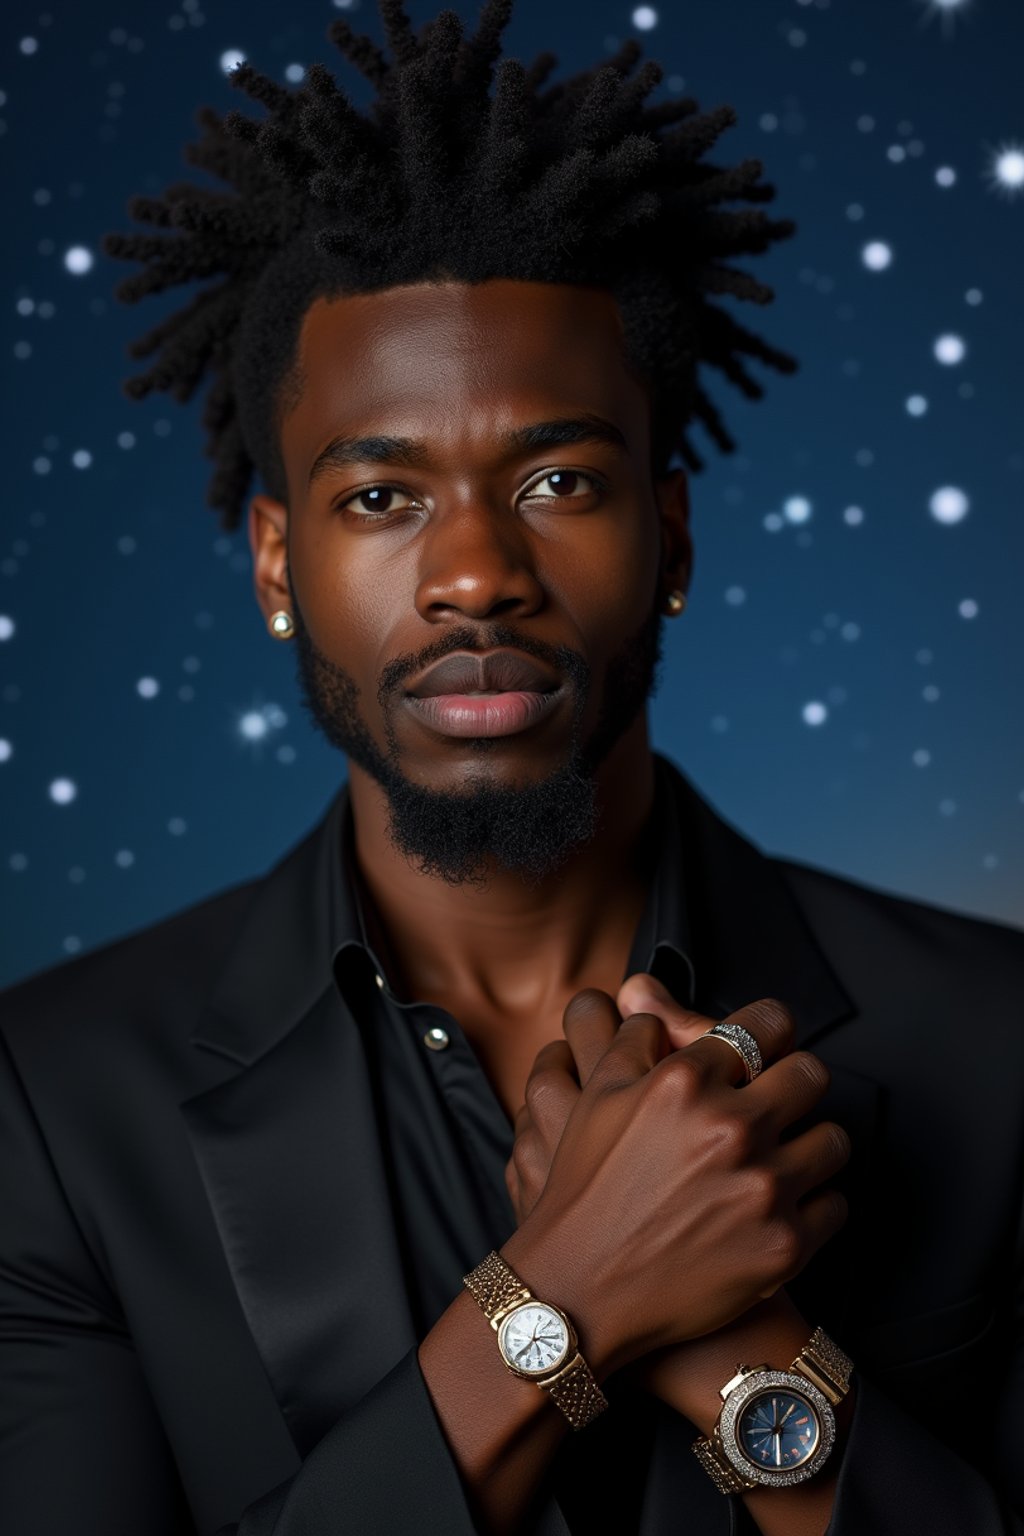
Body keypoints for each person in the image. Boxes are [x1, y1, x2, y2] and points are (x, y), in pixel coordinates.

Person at [1, 3, 1022, 1533]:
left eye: (557, 479)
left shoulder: (1000, 1045)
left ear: (669, 539)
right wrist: (567, 1301)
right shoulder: (54, 1108)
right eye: (381, 495)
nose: (476, 573)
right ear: (277, 562)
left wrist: (751, 1364)